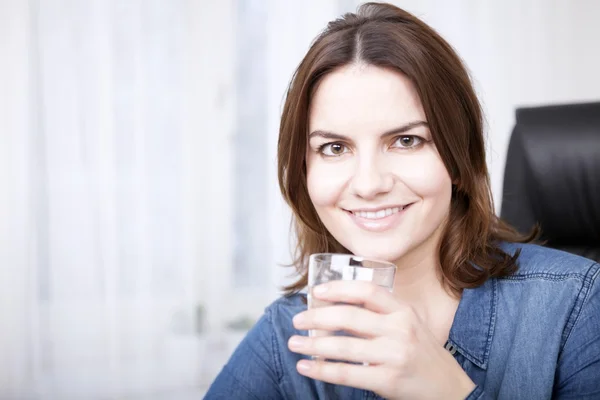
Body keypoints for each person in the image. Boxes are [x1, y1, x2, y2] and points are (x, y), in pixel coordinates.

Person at [205, 2, 600, 399]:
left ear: (459, 159)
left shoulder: (577, 304)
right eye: (334, 148)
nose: (369, 183)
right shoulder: (286, 335)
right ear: (303, 171)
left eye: (406, 140)